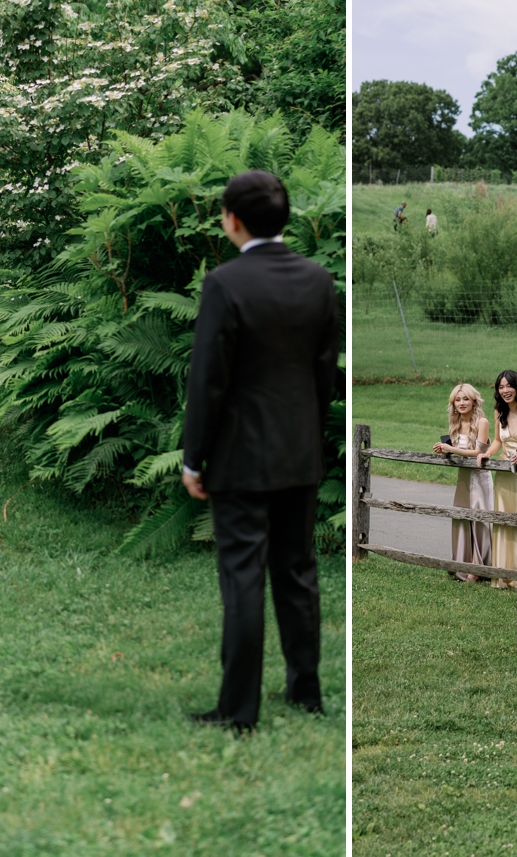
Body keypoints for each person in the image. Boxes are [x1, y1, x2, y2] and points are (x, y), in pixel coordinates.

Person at [181, 170, 340, 732]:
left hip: (240, 457)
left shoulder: (225, 283)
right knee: (297, 572)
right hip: (299, 454)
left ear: (232, 220)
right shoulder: (319, 280)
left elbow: (208, 380)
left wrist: (193, 457)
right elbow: (326, 376)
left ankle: (237, 711)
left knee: (243, 576)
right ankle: (306, 692)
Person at [477, 370, 517, 589]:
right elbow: (496, 441)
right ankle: (504, 574)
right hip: (504, 474)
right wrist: (487, 453)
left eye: (509, 386)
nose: (505, 391)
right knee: (504, 520)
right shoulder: (498, 411)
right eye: (501, 387)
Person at [433, 383, 493, 581]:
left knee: (479, 520)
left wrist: (451, 450)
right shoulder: (455, 424)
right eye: (457, 400)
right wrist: (444, 450)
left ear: (474, 400)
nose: (461, 403)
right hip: (463, 479)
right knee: (460, 518)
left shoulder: (482, 422)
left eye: (465, 399)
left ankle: (478, 569)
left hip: (479, 478)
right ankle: (461, 564)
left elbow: (479, 452)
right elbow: (458, 452)